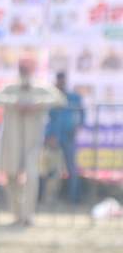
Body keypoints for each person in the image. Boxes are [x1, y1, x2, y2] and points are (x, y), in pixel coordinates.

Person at [0, 59, 65, 226]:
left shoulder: (40, 87)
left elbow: (60, 99)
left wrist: (36, 103)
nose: (23, 71)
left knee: (31, 175)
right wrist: (13, 102)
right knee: (11, 175)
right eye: (21, 68)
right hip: (11, 141)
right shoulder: (10, 86)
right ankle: (17, 215)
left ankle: (28, 215)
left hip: (32, 142)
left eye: (26, 68)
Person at [44, 71, 85, 204]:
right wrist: (49, 135)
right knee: (51, 169)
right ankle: (49, 199)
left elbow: (83, 112)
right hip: (54, 136)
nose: (61, 83)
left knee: (71, 168)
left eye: (63, 81)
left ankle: (74, 199)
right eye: (59, 81)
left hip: (68, 136)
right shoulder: (52, 97)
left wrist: (78, 126)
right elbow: (47, 118)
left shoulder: (73, 97)